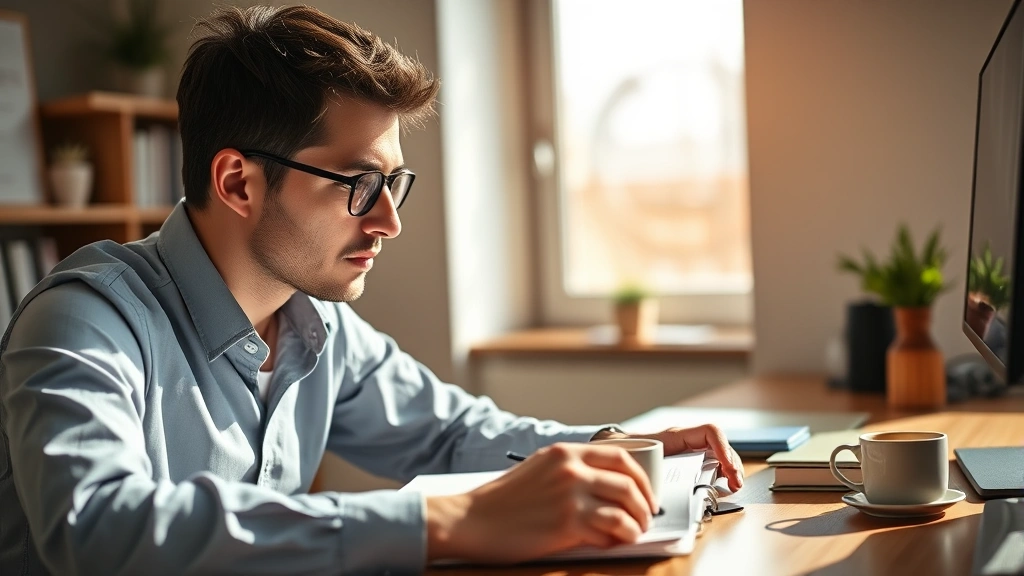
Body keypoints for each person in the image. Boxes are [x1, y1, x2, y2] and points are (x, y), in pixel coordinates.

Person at [0, 5, 743, 574]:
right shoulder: (83, 319)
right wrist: (441, 522)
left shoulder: (315, 323)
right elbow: (95, 528)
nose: (388, 220)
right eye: (360, 184)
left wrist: (614, 449)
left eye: (394, 184)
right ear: (238, 182)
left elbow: (450, 434)